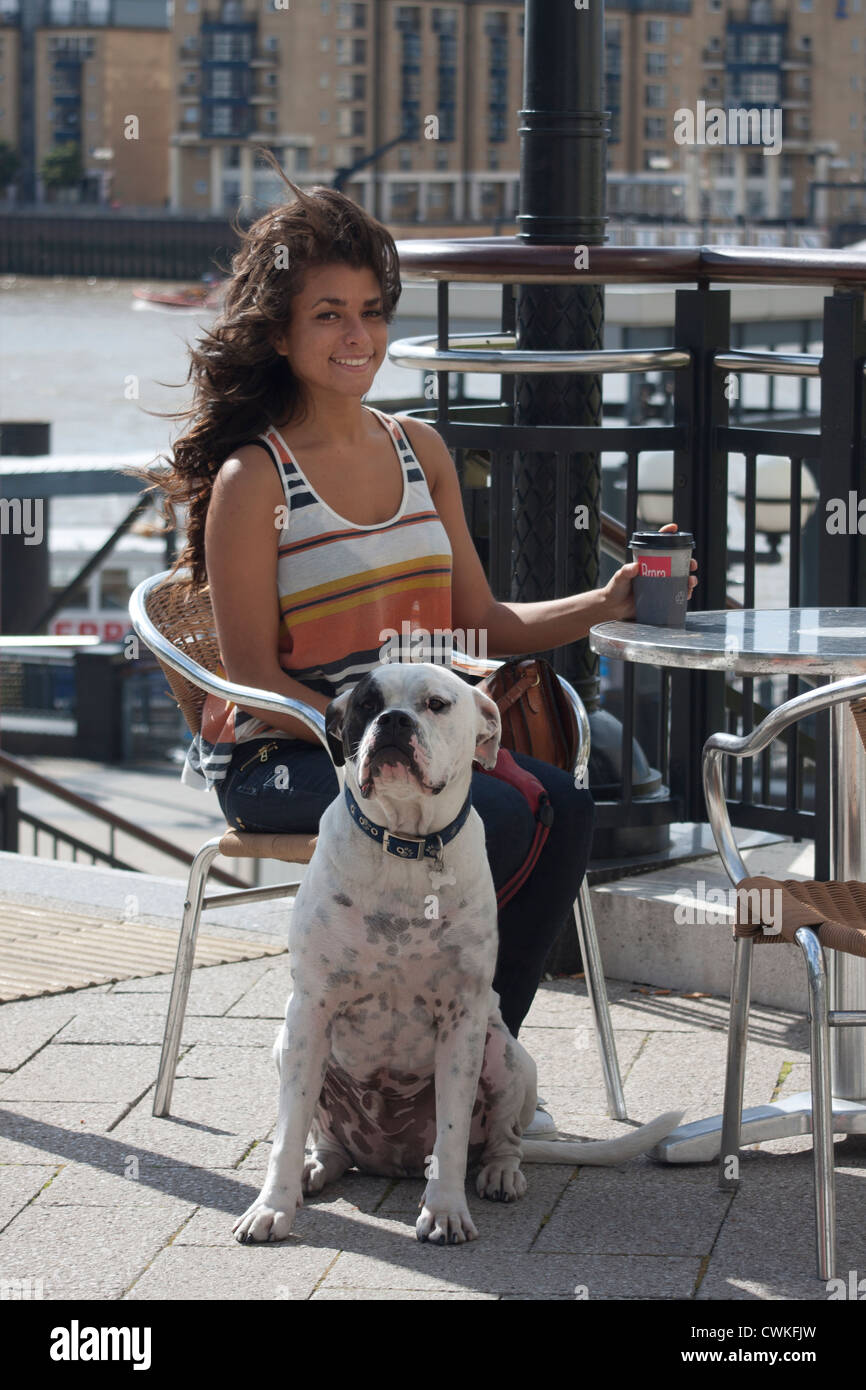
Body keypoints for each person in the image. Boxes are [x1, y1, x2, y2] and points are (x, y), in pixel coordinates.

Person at [139, 155, 698, 1138]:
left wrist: (607, 600)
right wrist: (368, 742)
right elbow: (252, 678)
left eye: (370, 312)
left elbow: (482, 624)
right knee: (494, 813)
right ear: (280, 331)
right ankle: (393, 1075)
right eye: (328, 314)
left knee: (567, 804)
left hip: (415, 749)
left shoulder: (419, 450)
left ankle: (476, 1072)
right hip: (283, 758)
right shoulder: (253, 480)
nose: (356, 335)